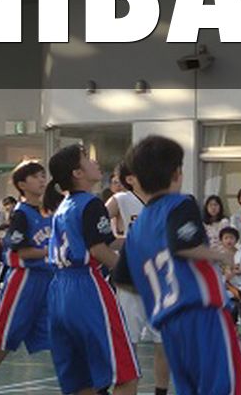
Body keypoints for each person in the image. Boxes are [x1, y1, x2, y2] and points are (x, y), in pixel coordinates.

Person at [115, 135, 241, 395]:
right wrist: (221, 256)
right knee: (231, 387)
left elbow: (124, 278)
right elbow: (182, 244)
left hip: (169, 325)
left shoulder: (136, 229)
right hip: (201, 314)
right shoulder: (181, 203)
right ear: (177, 173)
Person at [46, 144, 139, 395]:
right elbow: (98, 250)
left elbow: (102, 240)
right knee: (125, 374)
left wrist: (139, 240)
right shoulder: (91, 203)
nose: (95, 162)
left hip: (59, 292)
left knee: (82, 380)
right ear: (77, 173)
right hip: (86, 287)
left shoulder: (64, 206)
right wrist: (134, 276)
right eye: (87, 159)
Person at [0, 160, 54, 395]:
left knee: (58, 330)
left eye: (43, 175)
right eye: (36, 176)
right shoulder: (21, 214)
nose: (42, 180)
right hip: (25, 280)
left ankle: (84, 382)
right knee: (9, 333)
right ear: (22, 184)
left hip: (48, 279)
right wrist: (51, 251)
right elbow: (22, 252)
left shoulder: (48, 212)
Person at [107, 162, 171, 395]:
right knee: (128, 341)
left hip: (161, 280)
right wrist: (120, 241)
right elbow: (95, 226)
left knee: (163, 341)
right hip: (130, 280)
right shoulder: (121, 199)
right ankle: (125, 387)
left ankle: (161, 391)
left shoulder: (166, 200)